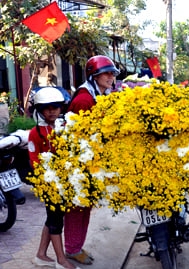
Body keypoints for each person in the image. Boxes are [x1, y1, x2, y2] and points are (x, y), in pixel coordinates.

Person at [64, 55, 120, 265]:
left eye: (111, 73)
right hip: (79, 163)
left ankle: (76, 246)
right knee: (77, 207)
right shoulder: (84, 99)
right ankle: (71, 248)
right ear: (94, 76)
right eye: (106, 73)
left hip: (90, 160)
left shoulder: (98, 95)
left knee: (85, 206)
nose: (110, 77)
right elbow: (82, 135)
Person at [28, 87, 80, 269]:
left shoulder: (64, 128)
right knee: (56, 221)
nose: (51, 111)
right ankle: (61, 259)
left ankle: (41, 255)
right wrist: (46, 181)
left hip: (65, 182)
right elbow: (34, 160)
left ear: (61, 109)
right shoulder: (36, 133)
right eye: (46, 108)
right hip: (48, 184)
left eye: (55, 107)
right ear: (40, 110)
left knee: (53, 219)